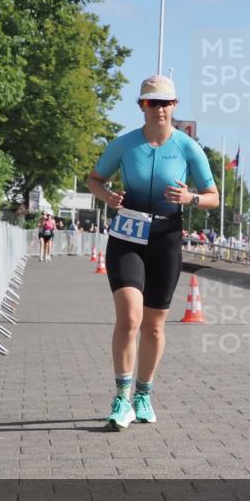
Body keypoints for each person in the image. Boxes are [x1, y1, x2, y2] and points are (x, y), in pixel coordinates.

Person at [87, 74, 219, 430]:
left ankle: (143, 394)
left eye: (165, 103)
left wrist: (191, 198)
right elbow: (94, 179)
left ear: (174, 106)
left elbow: (213, 197)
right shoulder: (125, 144)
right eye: (151, 102)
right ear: (141, 106)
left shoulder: (188, 148)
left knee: (155, 326)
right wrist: (107, 196)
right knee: (130, 318)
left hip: (166, 239)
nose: (159, 109)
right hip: (127, 237)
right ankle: (121, 398)